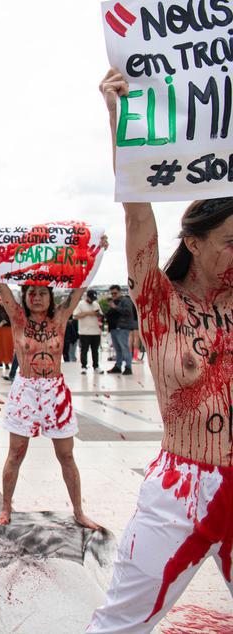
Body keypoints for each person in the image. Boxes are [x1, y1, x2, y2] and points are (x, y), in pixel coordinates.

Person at [87, 70, 233, 632]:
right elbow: (137, 213)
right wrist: (120, 122)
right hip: (182, 489)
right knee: (121, 623)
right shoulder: (157, 300)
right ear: (193, 243)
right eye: (230, 244)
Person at [0, 237, 105, 531]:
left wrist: (97, 251)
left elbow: (82, 284)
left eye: (42, 293)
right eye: (31, 293)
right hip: (25, 390)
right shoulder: (18, 319)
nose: (36, 298)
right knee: (16, 452)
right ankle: (6, 507)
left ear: (51, 297)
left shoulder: (61, 317)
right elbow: (1, 285)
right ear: (24, 297)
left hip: (55, 392)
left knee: (65, 454)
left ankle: (78, 511)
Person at [105, 284, 136, 374]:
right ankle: (118, 366)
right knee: (117, 349)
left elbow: (128, 312)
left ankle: (128, 367)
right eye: (112, 294)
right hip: (114, 328)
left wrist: (115, 307)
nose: (113, 295)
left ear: (119, 292)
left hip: (122, 327)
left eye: (115, 293)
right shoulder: (115, 301)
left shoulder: (125, 300)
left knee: (124, 348)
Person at [74, 290, 103, 374]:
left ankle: (96, 366)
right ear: (87, 297)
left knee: (95, 350)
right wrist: (88, 313)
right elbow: (75, 316)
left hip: (96, 331)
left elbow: (101, 314)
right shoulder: (81, 304)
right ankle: (84, 366)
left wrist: (98, 314)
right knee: (84, 350)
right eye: (91, 298)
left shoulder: (96, 304)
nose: (92, 300)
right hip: (84, 332)